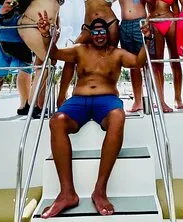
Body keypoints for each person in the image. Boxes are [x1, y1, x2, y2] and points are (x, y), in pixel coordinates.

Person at [35, 11, 152, 218]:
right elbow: (55, 54)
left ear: (107, 34)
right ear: (90, 34)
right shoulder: (80, 50)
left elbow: (138, 62)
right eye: (95, 32)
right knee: (56, 121)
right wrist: (46, 36)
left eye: (102, 32)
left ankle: (100, 190)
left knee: (118, 116)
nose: (99, 35)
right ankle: (67, 193)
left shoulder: (117, 53)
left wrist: (147, 39)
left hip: (107, 101)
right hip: (78, 101)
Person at [61, 0, 132, 101]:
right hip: (88, 27)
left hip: (110, 25)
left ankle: (110, 89)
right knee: (71, 57)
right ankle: (62, 94)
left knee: (111, 58)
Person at [17, 0, 75, 118]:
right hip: (29, 24)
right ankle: (31, 104)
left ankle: (36, 104)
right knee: (49, 62)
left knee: (44, 63)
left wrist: (58, 28)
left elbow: (56, 10)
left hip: (47, 31)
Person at [131, 0, 183, 110]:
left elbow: (176, 10)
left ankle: (178, 99)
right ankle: (161, 101)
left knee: (175, 60)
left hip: (170, 23)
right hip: (154, 24)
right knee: (157, 62)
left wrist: (177, 24)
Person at [115, 0, 164, 112]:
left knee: (149, 63)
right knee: (133, 65)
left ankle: (159, 100)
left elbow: (153, 3)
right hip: (125, 26)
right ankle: (137, 102)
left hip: (141, 23)